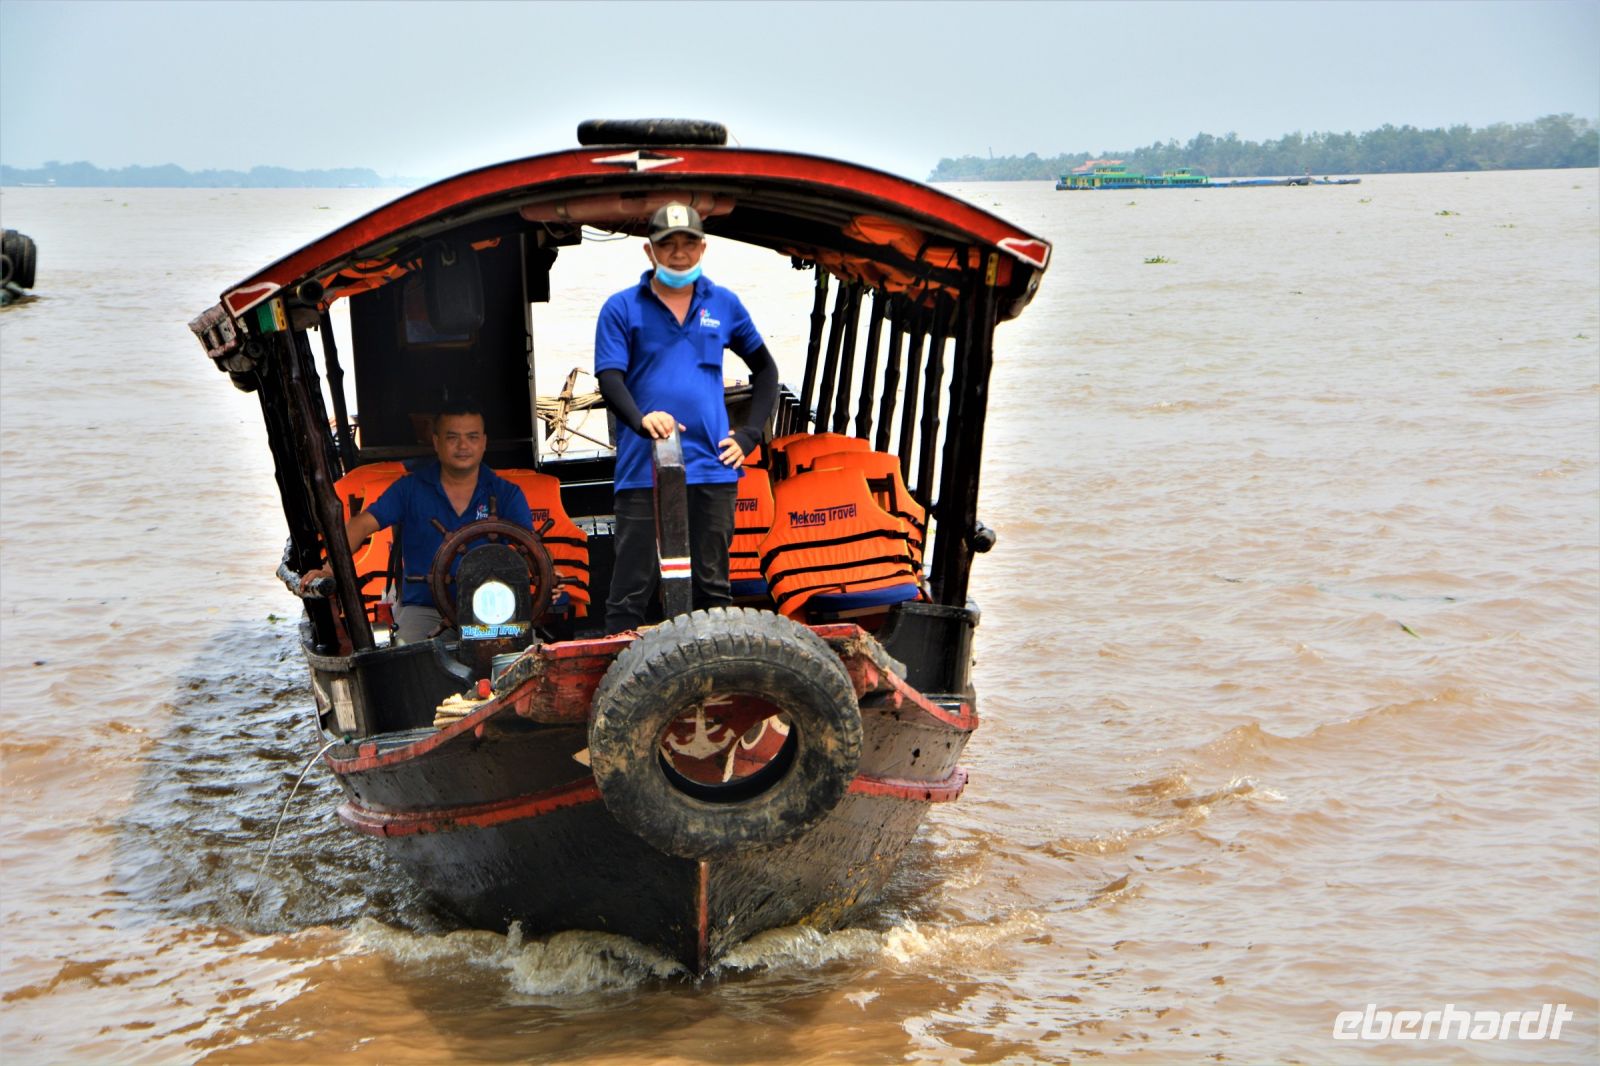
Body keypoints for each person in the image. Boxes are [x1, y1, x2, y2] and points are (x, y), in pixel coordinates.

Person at [595, 202, 778, 634]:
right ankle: (612, 686)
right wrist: (642, 421)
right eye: (668, 244)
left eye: (688, 243)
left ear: (703, 247)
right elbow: (609, 378)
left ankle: (713, 684)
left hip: (714, 468)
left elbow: (766, 370)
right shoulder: (621, 308)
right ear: (649, 251)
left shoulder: (724, 304)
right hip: (644, 471)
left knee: (712, 588)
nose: (679, 253)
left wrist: (750, 434)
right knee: (630, 588)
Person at [301, 400, 533, 644]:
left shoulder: (508, 493)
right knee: (408, 661)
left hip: (493, 608)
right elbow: (362, 525)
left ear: (484, 442)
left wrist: (548, 572)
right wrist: (329, 569)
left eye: (472, 437)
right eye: (452, 437)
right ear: (436, 442)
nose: (463, 446)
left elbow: (531, 548)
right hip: (425, 610)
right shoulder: (409, 489)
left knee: (529, 659)